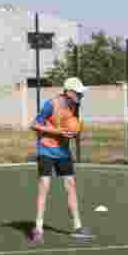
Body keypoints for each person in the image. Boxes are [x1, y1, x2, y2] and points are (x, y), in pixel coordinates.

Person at [29, 76, 93, 243]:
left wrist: (75, 132)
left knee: (71, 185)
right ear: (69, 92)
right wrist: (57, 132)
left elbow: (73, 125)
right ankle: (38, 228)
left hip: (63, 151)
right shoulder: (51, 104)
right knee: (44, 186)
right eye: (78, 93)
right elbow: (34, 125)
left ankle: (78, 227)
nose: (81, 95)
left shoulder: (75, 105)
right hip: (46, 149)